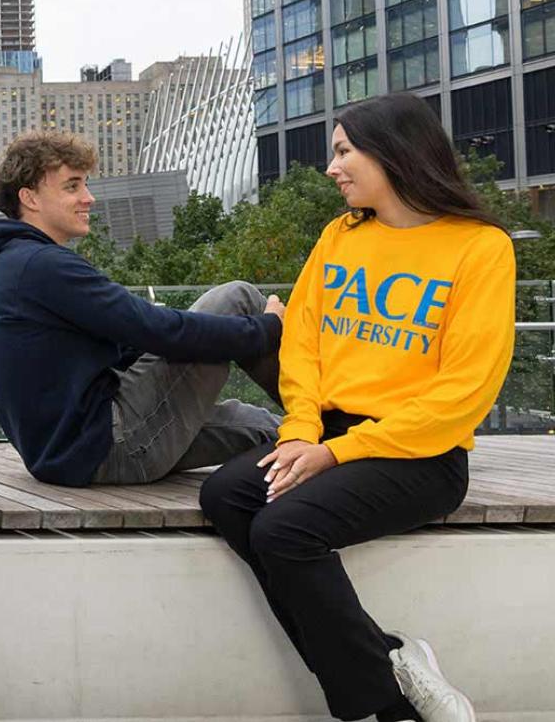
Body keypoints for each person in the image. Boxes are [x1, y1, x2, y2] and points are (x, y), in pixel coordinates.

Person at [200, 94, 514, 722]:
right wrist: (300, 432)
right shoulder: (340, 237)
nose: (331, 167)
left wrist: (337, 452)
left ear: (393, 152)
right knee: (227, 496)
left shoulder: (480, 248)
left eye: (344, 151)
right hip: (329, 435)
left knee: (284, 530)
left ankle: (383, 711)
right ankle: (389, 661)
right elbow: (303, 344)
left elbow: (465, 390)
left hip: (420, 452)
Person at [0, 129, 285, 486]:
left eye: (86, 184)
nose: (88, 198)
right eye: (72, 186)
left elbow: (128, 345)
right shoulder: (40, 265)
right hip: (112, 443)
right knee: (238, 299)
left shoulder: (15, 264)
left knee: (269, 430)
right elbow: (157, 330)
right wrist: (268, 329)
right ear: (30, 198)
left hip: (76, 453)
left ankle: (325, 438)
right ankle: (328, 416)